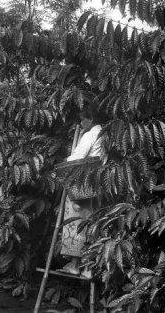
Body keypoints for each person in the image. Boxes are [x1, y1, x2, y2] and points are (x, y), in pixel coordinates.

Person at [60, 108, 103, 277]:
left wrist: (65, 160)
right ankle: (89, 267)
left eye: (82, 120)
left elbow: (78, 157)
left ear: (90, 118)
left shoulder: (90, 135)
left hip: (81, 184)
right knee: (92, 224)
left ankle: (75, 264)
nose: (80, 123)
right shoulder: (104, 134)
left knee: (75, 223)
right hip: (97, 185)